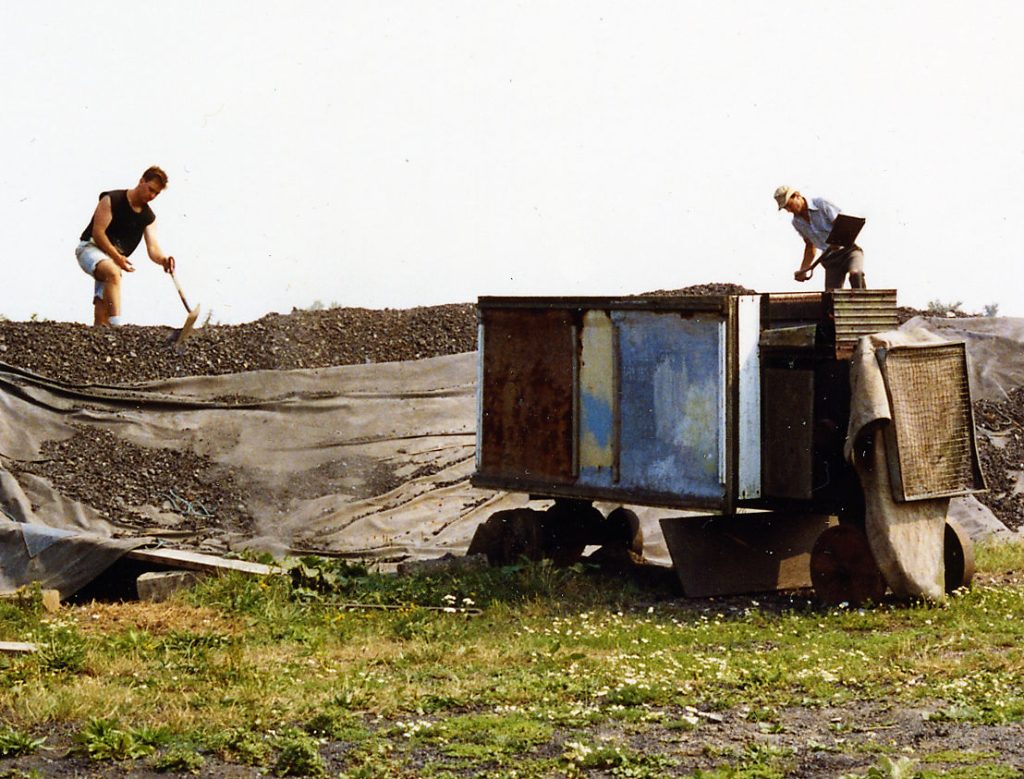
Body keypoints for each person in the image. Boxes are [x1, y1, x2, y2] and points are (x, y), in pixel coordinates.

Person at [76, 166, 176, 326]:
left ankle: (102, 336)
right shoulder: (112, 199)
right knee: (113, 272)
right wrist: (117, 257)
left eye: (156, 193)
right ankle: (118, 328)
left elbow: (153, 248)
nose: (152, 196)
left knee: (102, 313)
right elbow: (98, 233)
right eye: (150, 189)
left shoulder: (148, 217)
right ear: (141, 181)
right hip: (91, 248)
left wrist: (163, 260)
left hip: (112, 259)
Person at [773, 185, 865, 290]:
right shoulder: (796, 223)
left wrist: (838, 240)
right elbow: (810, 246)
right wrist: (803, 269)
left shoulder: (821, 204)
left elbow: (843, 225)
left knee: (855, 274)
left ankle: (864, 299)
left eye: (790, 205)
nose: (789, 210)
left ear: (797, 195)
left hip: (849, 251)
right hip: (830, 259)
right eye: (786, 208)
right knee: (831, 294)